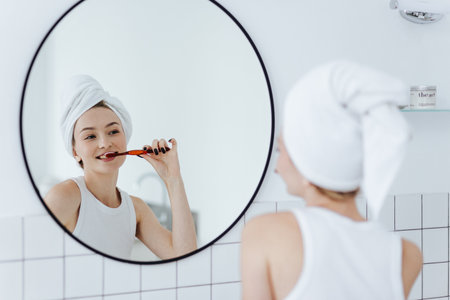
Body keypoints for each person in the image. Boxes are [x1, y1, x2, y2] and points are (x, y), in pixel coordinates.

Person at [241, 61, 422, 299]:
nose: (277, 167)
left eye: (280, 151)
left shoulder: (265, 233)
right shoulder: (406, 255)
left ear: (307, 163)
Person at [45, 75, 197, 260]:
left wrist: (173, 178)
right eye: (90, 136)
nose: (104, 143)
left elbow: (185, 258)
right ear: (75, 150)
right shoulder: (64, 197)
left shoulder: (136, 209)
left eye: (113, 131)